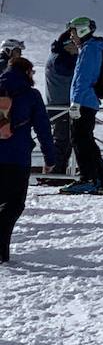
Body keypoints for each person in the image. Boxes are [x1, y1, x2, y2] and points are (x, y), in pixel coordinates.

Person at [0, 56, 56, 262]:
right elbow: (43, 129)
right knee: (13, 205)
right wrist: (50, 158)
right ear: (26, 72)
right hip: (17, 158)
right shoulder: (31, 95)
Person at [64, 16, 103, 194]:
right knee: (87, 140)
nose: (71, 36)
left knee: (79, 140)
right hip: (88, 101)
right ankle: (98, 179)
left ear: (83, 30)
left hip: (83, 101)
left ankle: (88, 178)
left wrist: (75, 103)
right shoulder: (93, 48)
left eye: (73, 31)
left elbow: (82, 79)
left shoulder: (89, 49)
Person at [44, 29, 79, 174]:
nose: (76, 47)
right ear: (66, 45)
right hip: (61, 105)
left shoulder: (57, 56)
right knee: (61, 140)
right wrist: (77, 57)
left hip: (59, 103)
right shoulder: (59, 59)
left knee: (65, 140)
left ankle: (57, 171)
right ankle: (54, 172)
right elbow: (67, 71)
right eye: (73, 44)